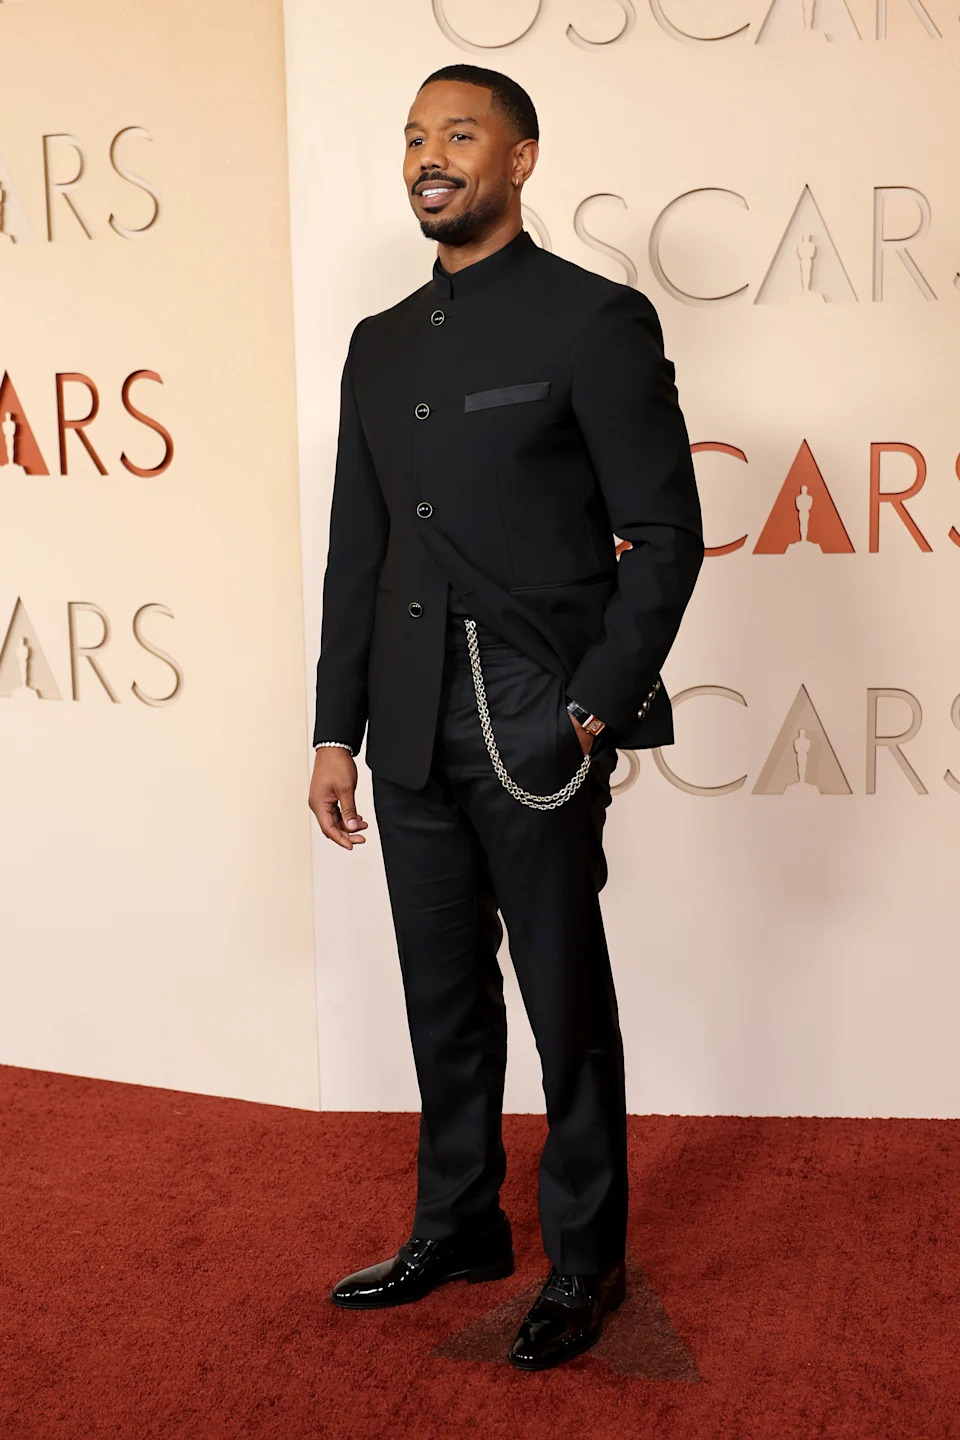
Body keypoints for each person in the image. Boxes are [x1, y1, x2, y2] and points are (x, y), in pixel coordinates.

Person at [308, 62, 704, 1371]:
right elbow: (355, 553)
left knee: (563, 999)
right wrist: (332, 730)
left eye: (459, 134)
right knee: (442, 996)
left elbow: (666, 536)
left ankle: (586, 1260)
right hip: (408, 716)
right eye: (414, 136)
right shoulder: (376, 344)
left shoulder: (597, 321)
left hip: (534, 709)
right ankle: (461, 1225)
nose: (429, 155)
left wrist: (590, 710)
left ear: (521, 161)